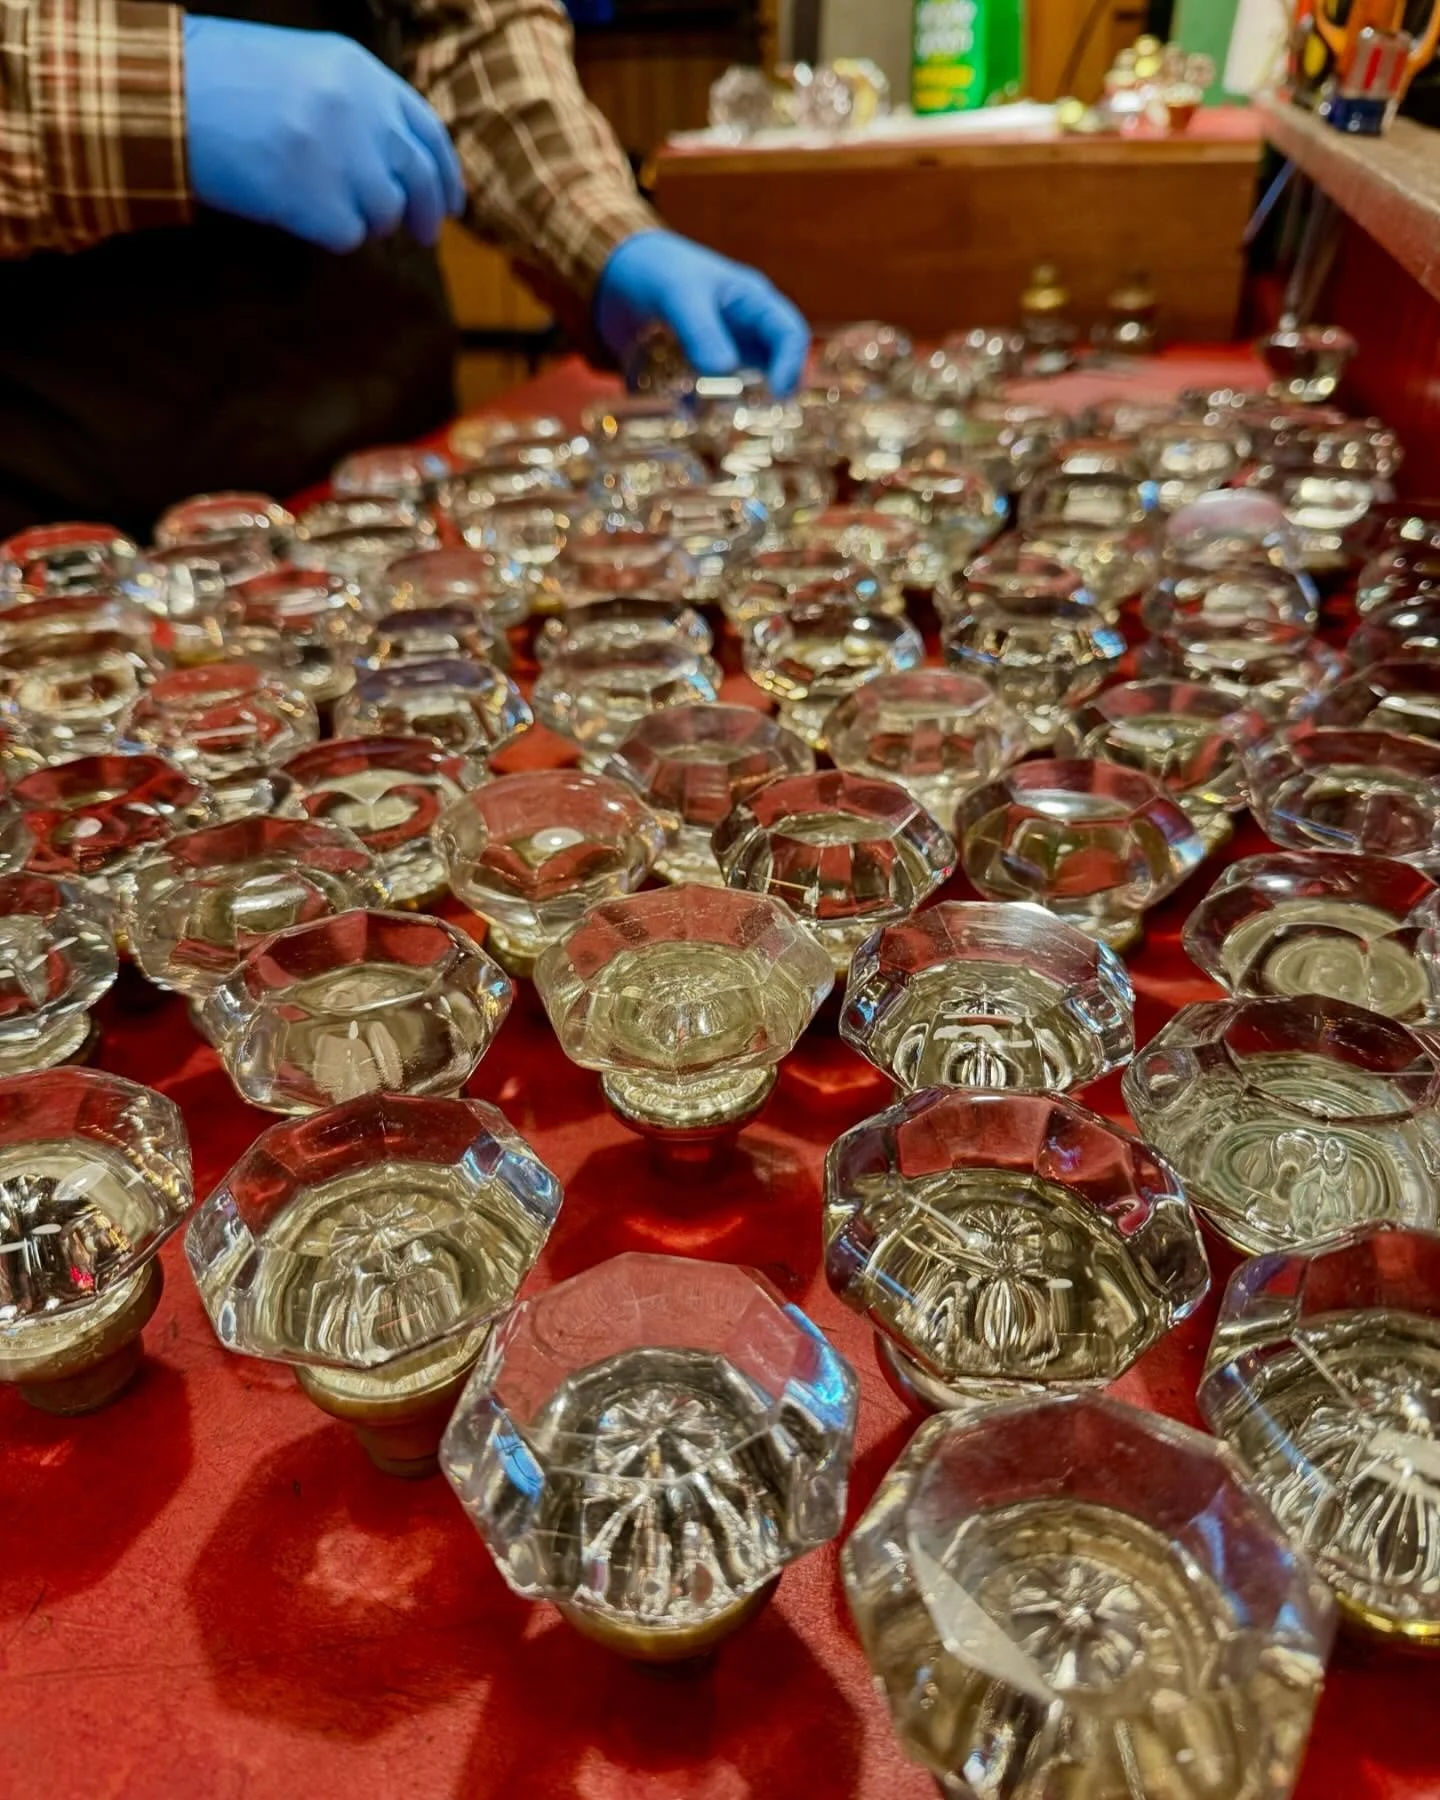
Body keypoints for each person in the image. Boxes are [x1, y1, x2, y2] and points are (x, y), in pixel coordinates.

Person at [0, 0, 810, 536]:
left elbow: (467, 30)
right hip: (52, 498)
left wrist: (603, 234)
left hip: (382, 467)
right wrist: (135, 93)